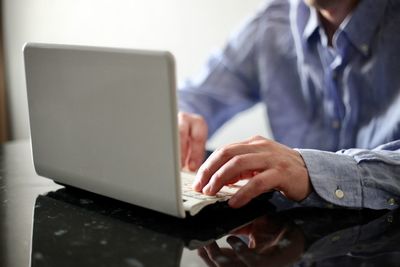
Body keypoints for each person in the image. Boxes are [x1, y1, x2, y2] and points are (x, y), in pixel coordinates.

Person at [177, 0, 400, 210]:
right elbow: (198, 96)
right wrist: (176, 118)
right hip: (295, 244)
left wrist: (315, 172)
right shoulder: (273, 21)